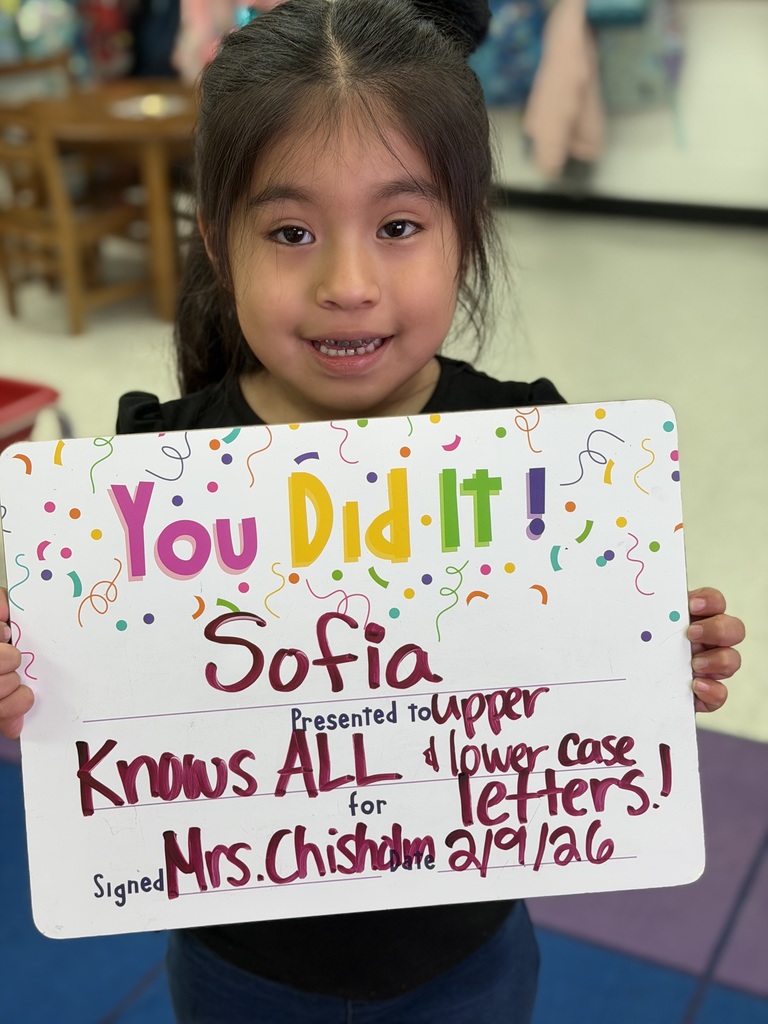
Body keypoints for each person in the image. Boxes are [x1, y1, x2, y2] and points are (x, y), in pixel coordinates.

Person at [0, 1, 746, 1021]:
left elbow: (573, 673)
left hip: (464, 959)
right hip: (240, 967)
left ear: (465, 229)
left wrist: (656, 656)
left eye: (399, 226)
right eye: (292, 231)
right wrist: (27, 680)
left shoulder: (534, 449)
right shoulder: (153, 469)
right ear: (220, 241)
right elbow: (95, 705)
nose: (348, 284)